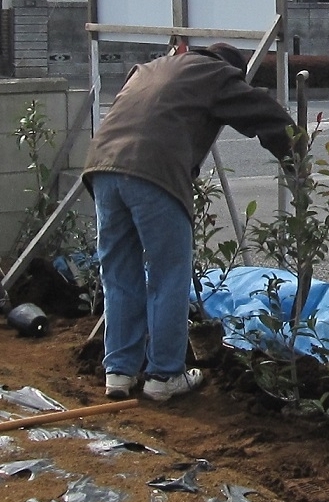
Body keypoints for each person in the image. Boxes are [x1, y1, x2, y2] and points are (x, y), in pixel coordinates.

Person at [83, 43, 294, 402]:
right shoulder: (217, 75)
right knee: (168, 276)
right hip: (154, 172)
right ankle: (164, 375)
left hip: (103, 168)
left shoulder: (152, 67)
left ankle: (118, 372)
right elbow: (266, 115)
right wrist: (295, 158)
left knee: (119, 275)